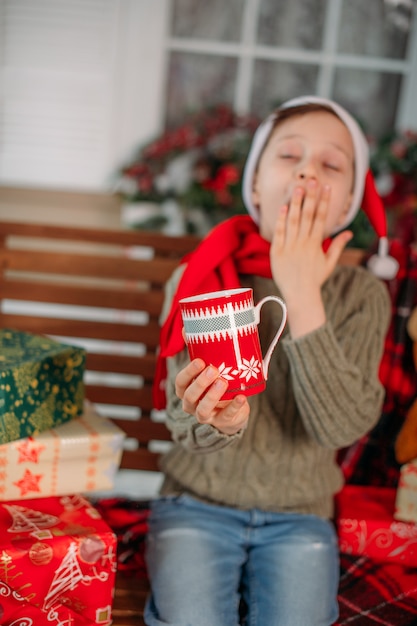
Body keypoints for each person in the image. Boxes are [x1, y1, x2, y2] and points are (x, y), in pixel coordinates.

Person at [144, 95, 395, 626]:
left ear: (348, 199)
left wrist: (302, 294)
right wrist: (219, 418)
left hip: (300, 520)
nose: (308, 171)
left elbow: (340, 425)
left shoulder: (361, 296)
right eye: (289, 156)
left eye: (331, 165)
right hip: (195, 505)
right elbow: (185, 423)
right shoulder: (197, 280)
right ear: (255, 185)